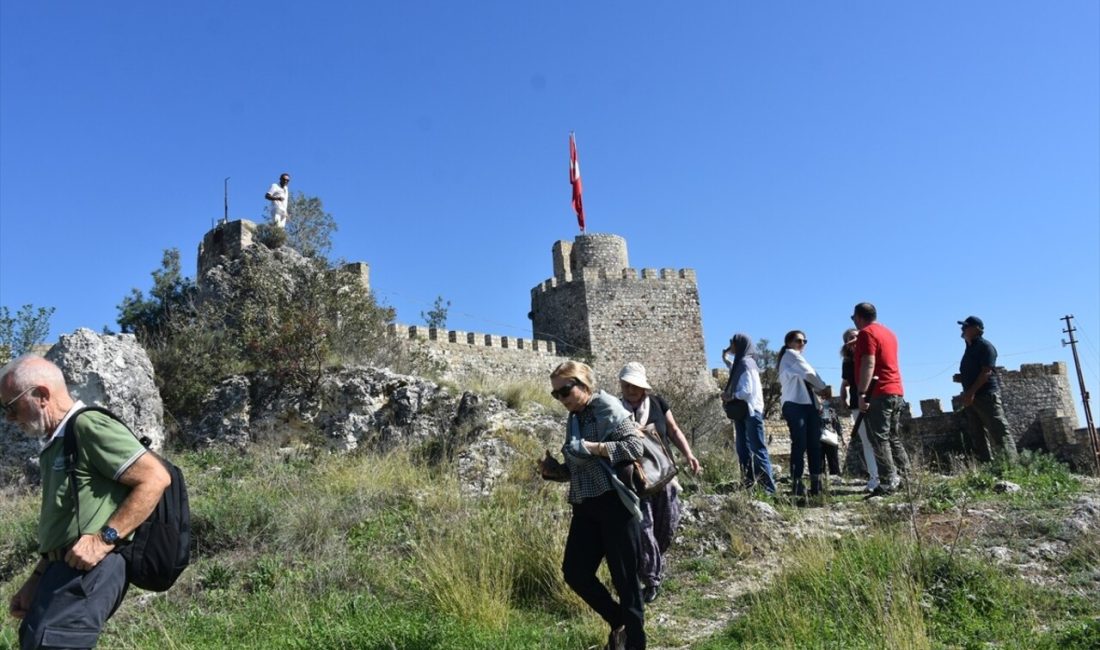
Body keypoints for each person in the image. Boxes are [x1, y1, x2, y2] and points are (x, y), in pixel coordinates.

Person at [3, 356, 171, 650]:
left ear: (42, 395)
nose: (8, 418)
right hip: (63, 568)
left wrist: (104, 539)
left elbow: (155, 478)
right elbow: (68, 523)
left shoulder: (87, 426)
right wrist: (36, 579)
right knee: (35, 640)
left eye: (10, 406)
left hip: (91, 569)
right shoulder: (59, 442)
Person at [537, 361, 646, 650]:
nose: (561, 398)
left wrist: (595, 448)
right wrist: (554, 471)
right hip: (585, 506)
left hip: (615, 505)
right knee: (575, 572)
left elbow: (636, 448)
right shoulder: (573, 418)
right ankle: (619, 620)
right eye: (556, 394)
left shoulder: (607, 407)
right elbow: (578, 468)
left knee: (626, 583)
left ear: (584, 385)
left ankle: (635, 643)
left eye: (565, 390)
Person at [617, 362, 701, 605]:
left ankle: (650, 563)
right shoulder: (614, 408)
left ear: (643, 387)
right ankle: (652, 579)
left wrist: (689, 455)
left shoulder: (657, 403)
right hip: (635, 481)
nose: (630, 389)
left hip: (665, 478)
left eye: (635, 385)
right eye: (626, 384)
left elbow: (674, 431)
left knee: (666, 526)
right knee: (644, 528)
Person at [851, 302, 910, 496]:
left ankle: (887, 483)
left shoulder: (866, 333)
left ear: (859, 317)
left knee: (878, 439)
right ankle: (906, 477)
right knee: (892, 436)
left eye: (854, 319)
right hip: (896, 390)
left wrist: (862, 393)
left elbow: (869, 363)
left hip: (879, 392)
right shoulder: (889, 333)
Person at [953, 316, 1018, 464]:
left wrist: (970, 393)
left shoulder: (985, 347)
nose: (962, 329)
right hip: (973, 397)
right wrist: (962, 378)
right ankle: (987, 466)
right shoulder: (969, 348)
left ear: (977, 329)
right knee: (978, 435)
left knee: (999, 432)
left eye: (966, 326)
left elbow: (986, 372)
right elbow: (976, 371)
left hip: (986, 396)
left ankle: (1012, 466)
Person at [777, 330, 832, 497]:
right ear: (789, 343)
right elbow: (809, 373)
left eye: (804, 341)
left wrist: (820, 391)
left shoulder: (795, 357)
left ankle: (815, 483)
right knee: (801, 443)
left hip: (808, 405)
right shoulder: (790, 355)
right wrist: (823, 388)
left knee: (813, 444)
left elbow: (808, 378)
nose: (802, 344)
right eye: (798, 340)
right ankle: (799, 483)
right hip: (796, 404)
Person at [721, 334, 777, 495]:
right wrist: (725, 357)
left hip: (750, 411)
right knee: (743, 448)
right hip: (743, 412)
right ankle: (748, 483)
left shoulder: (746, 363)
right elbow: (734, 371)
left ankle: (768, 489)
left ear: (738, 345)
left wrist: (730, 396)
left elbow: (747, 391)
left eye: (731, 343)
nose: (730, 346)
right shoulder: (741, 363)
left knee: (757, 448)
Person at [840, 328, 880, 492]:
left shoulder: (869, 353)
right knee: (867, 441)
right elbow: (846, 381)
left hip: (876, 399)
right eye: (851, 338)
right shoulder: (847, 360)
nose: (855, 339)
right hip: (857, 403)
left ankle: (890, 475)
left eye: (857, 336)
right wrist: (843, 395)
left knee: (882, 439)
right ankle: (874, 478)